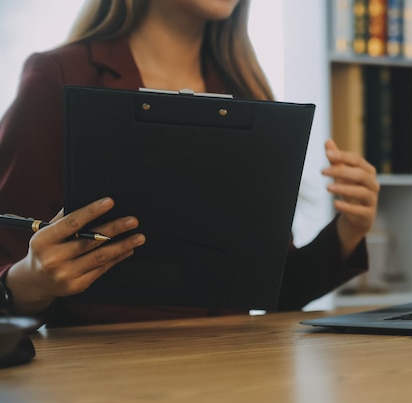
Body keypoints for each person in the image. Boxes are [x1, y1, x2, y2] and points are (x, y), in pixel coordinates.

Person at [0, 0, 380, 326]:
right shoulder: (59, 76)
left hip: (238, 372)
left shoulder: (248, 94)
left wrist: (349, 229)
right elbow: (12, 258)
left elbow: (272, 291)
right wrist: (29, 284)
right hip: (101, 381)